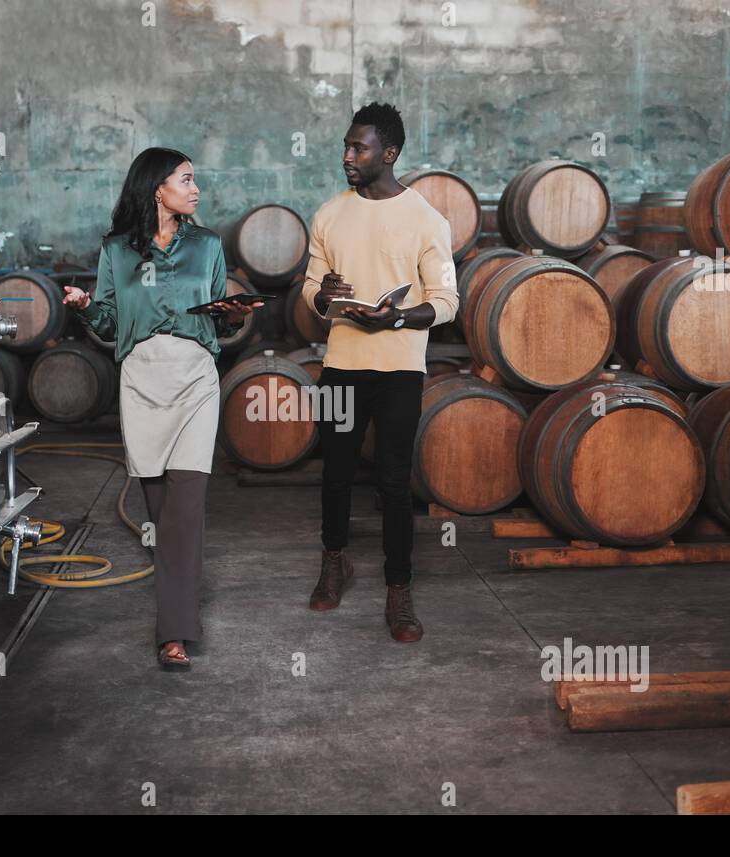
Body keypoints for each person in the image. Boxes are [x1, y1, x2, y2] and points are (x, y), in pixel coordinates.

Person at [63, 147, 262, 669]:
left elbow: (219, 318)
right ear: (157, 188)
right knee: (160, 515)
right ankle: (175, 610)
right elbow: (108, 322)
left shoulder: (208, 246)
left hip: (196, 377)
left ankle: (172, 633)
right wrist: (87, 308)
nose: (196, 189)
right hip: (143, 381)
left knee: (186, 509)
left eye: (195, 181)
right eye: (186, 180)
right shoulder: (117, 251)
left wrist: (231, 314)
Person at [300, 103, 459, 642]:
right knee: (336, 474)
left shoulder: (426, 220)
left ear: (388, 154)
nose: (347, 156)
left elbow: (446, 302)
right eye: (346, 146)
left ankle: (399, 587)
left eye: (358, 148)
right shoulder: (328, 214)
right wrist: (322, 296)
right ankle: (334, 561)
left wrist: (396, 317)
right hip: (341, 365)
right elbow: (310, 288)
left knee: (393, 480)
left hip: (398, 370)